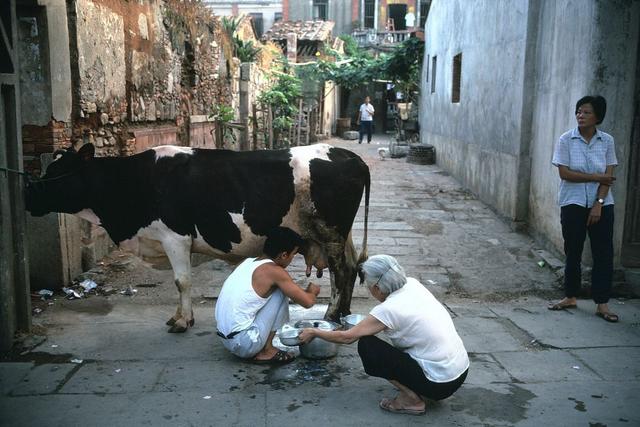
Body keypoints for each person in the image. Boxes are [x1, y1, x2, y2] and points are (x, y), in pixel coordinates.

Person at [299, 255, 469, 415]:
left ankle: (410, 400)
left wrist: (314, 332)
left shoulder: (388, 309)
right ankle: (415, 385)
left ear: (377, 288)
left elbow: (347, 337)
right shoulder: (412, 284)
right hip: (460, 372)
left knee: (367, 345)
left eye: (368, 286)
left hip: (440, 384)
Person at [548, 95, 619, 322]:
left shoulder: (606, 141)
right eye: (579, 111)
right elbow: (564, 173)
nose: (580, 115)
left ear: (598, 116)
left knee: (603, 254)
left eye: (586, 112)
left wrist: (598, 204)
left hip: (602, 204)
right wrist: (596, 177)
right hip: (573, 203)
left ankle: (602, 304)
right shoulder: (566, 140)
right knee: (573, 251)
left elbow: (608, 177)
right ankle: (570, 296)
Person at [215, 227, 321, 363]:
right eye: (293, 255)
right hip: (244, 344)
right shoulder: (274, 272)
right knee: (280, 291)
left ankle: (261, 346)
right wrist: (312, 291)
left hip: (226, 340)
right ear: (283, 255)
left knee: (278, 288)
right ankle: (266, 350)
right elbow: (307, 302)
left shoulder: (247, 262)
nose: (292, 259)